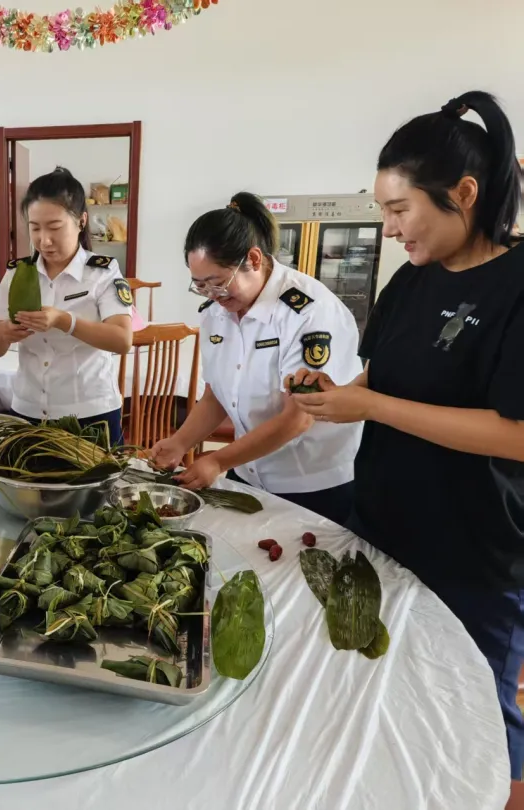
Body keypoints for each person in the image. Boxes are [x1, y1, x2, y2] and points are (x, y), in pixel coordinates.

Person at [290, 91, 524, 779]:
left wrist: (373, 406)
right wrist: (338, 396)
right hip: (384, 524)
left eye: (399, 209)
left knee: (477, 715)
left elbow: (515, 435)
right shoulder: (411, 282)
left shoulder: (517, 286)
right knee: (387, 686)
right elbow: (379, 377)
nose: (389, 228)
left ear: (464, 193)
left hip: (474, 548)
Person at [150, 192, 362, 525]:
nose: (213, 295)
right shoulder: (216, 313)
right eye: (200, 285)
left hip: (311, 483)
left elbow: (300, 418)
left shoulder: (308, 312)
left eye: (218, 283)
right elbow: (216, 395)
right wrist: (180, 442)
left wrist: (218, 461)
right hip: (249, 471)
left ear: (253, 258)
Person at [0, 167, 133, 445]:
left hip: (90, 414)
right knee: (29, 488)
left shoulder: (102, 272)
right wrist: (5, 332)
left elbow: (122, 340)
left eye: (54, 228)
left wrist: (65, 321)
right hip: (28, 412)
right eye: (34, 228)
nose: (44, 240)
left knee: (94, 489)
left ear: (81, 221)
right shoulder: (17, 274)